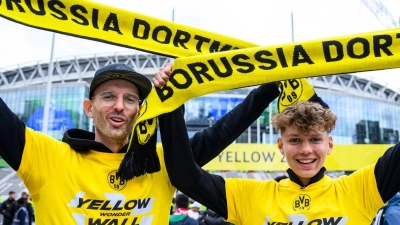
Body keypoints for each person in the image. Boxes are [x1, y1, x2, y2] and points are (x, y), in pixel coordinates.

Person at [0, 63, 280, 224]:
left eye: (131, 99)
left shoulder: (162, 161)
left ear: (141, 110)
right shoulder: (47, 157)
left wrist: (270, 86)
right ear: (89, 107)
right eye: (109, 96)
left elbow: (222, 131)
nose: (120, 106)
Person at [159, 100, 400, 225]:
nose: (306, 150)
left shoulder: (360, 189)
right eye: (295, 140)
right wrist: (172, 105)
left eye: (315, 139)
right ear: (281, 146)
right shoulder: (250, 195)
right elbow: (184, 175)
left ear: (330, 144)